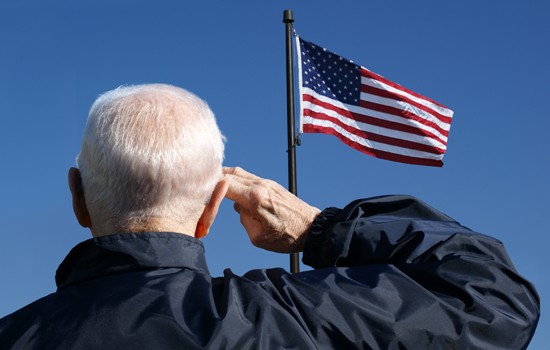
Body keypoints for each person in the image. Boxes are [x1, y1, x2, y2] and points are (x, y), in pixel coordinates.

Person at [0, 84, 539, 350]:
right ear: (214, 207)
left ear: (78, 198)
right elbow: (493, 296)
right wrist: (319, 229)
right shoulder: (281, 323)